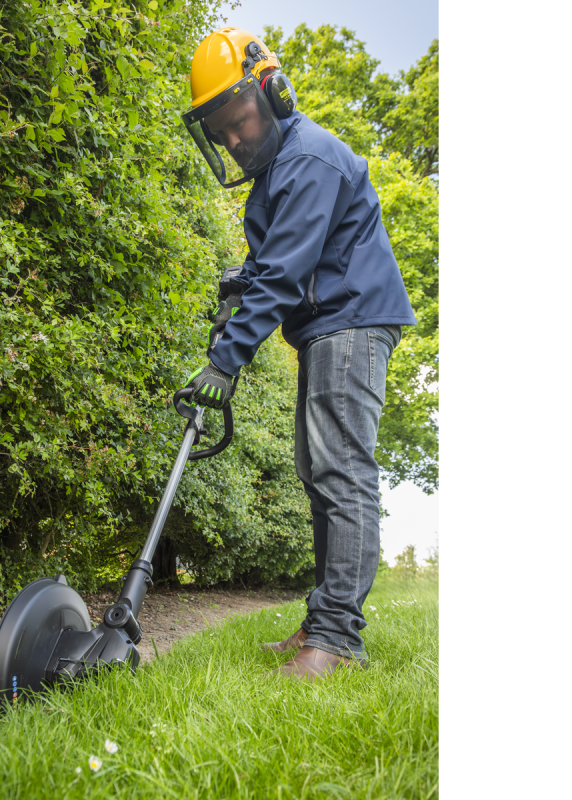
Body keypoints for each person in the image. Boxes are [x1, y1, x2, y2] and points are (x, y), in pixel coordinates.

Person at [180, 28, 417, 680]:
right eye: (221, 133)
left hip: (352, 321)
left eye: (240, 122)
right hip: (325, 327)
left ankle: (338, 640)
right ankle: (322, 621)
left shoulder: (308, 159)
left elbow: (285, 277)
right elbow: (275, 266)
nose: (233, 140)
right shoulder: (280, 174)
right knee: (319, 474)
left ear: (274, 93)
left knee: (340, 472)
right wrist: (241, 282)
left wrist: (226, 359)